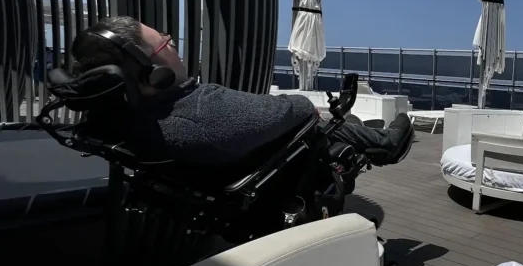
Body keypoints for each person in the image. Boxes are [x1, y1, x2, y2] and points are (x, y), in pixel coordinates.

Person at [68, 17, 412, 168]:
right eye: (166, 44)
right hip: (269, 164)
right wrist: (304, 105)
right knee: (324, 122)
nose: (175, 47)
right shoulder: (201, 113)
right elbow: (296, 109)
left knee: (339, 120)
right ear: (151, 71)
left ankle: (372, 134)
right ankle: (384, 143)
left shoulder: (115, 120)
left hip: (211, 173)